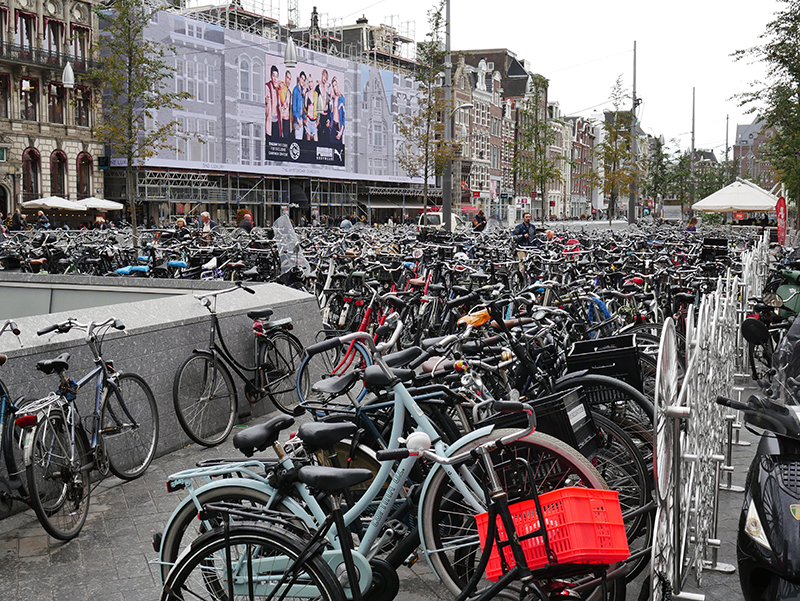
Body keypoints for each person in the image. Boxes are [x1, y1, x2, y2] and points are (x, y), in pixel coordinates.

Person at [266, 65, 281, 138]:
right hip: (270, 119)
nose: (275, 78)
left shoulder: (279, 89)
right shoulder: (267, 87)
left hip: (277, 120)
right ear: (271, 76)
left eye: (277, 76)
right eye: (273, 76)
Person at [330, 77, 345, 145]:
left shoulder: (342, 99)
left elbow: (344, 117)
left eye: (335, 85)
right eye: (333, 86)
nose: (334, 87)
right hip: (333, 126)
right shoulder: (332, 99)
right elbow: (330, 113)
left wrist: (341, 132)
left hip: (339, 128)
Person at [292, 72, 307, 140]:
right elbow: (294, 107)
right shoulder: (295, 90)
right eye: (302, 79)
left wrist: (304, 94)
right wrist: (298, 120)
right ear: (299, 78)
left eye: (304, 80)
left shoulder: (302, 91)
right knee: (297, 139)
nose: (302, 81)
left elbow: (303, 104)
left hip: (301, 118)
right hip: (297, 120)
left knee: (300, 139)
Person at [279, 70, 293, 140]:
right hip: (282, 119)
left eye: (290, 79)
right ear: (285, 77)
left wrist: (290, 125)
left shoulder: (290, 92)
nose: (288, 80)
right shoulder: (281, 88)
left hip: (287, 120)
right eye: (287, 78)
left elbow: (290, 110)